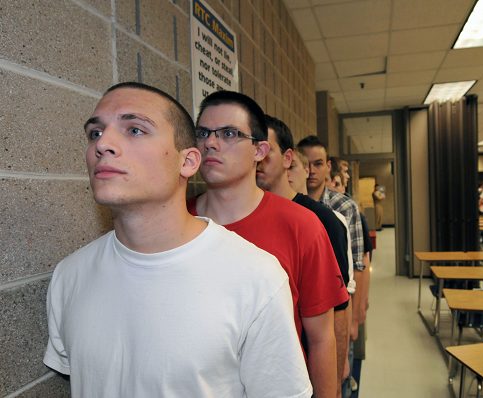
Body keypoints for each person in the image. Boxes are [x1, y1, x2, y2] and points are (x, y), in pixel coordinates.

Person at [43, 82, 311, 397]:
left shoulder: (257, 278)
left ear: (187, 162)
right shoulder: (69, 276)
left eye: (135, 130)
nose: (103, 145)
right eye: (95, 133)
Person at [188, 91, 348, 398]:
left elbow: (321, 337)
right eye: (203, 133)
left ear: (260, 150)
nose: (210, 143)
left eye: (229, 134)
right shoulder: (179, 221)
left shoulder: (302, 225)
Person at [258, 115, 353, 397]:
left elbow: (339, 308)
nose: (257, 158)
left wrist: (334, 379)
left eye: (265, 149)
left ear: (287, 158)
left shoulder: (321, 220)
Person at [296, 135, 368, 398]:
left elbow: (358, 265)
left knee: (341, 380)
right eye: (308, 164)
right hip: (312, 321)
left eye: (319, 164)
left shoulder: (344, 208)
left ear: (328, 166)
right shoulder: (291, 208)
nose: (312, 170)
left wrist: (355, 319)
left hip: (339, 312)